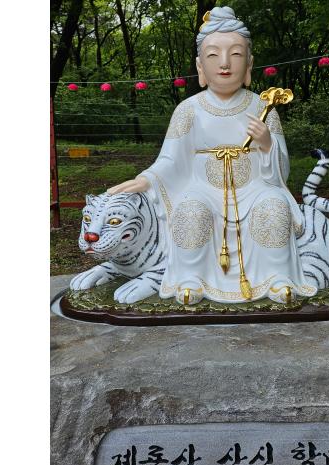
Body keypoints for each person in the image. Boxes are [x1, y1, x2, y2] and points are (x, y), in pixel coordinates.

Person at [107, 6, 317, 305]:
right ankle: (191, 279)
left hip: (254, 188)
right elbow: (171, 159)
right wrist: (147, 179)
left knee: (273, 206)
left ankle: (276, 277)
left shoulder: (262, 107)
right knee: (191, 210)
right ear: (200, 66)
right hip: (204, 188)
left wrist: (267, 143)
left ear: (249, 64)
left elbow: (281, 170)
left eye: (236, 54)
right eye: (213, 55)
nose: (225, 63)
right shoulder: (189, 109)